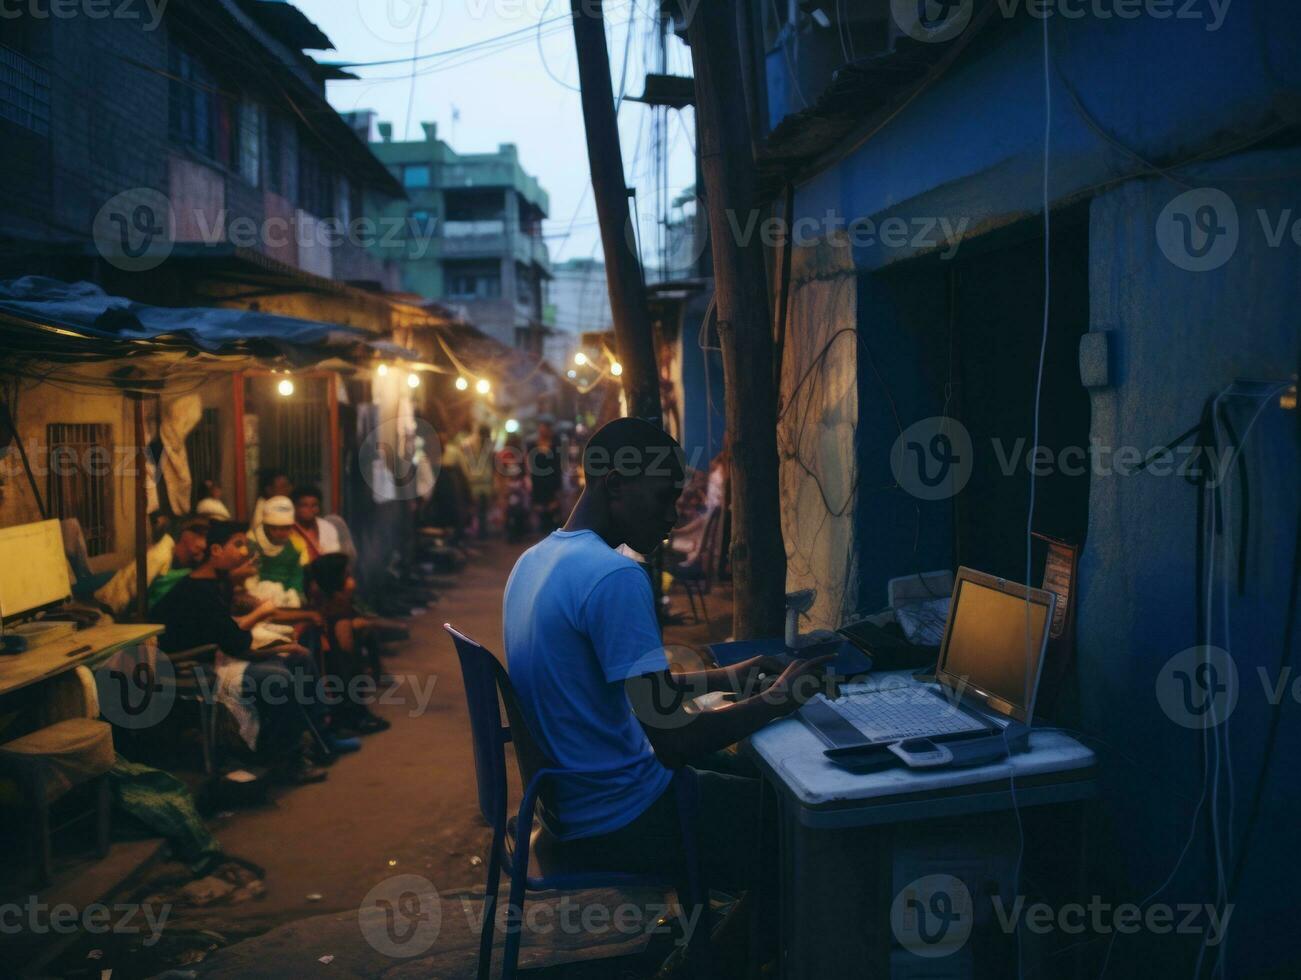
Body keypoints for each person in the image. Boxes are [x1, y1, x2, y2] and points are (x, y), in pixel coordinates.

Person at [502, 418, 829, 943]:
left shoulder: (535, 562)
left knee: (756, 781)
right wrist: (777, 700)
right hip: (623, 820)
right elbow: (675, 742)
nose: (673, 516)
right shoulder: (614, 576)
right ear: (615, 485)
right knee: (805, 829)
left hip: (570, 807)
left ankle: (714, 935)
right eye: (664, 498)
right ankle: (713, 959)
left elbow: (625, 693)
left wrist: (727, 677)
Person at [152, 521, 327, 784]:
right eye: (238, 545)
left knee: (297, 658)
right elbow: (236, 642)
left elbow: (230, 635)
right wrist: (260, 615)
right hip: (194, 666)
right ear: (216, 551)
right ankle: (284, 759)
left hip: (219, 654)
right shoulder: (197, 590)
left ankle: (313, 740)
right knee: (278, 677)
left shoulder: (217, 582)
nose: (245, 552)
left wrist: (281, 646)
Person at [250, 495, 305, 598]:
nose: (280, 533)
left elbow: (296, 575)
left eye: (286, 528)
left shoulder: (296, 546)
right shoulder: (254, 544)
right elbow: (252, 574)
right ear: (266, 527)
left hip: (286, 594)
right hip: (259, 593)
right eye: (274, 528)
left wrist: (294, 594)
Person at [527, 420, 563, 534]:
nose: (543, 431)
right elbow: (528, 463)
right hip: (537, 481)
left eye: (545, 429)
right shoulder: (532, 445)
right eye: (541, 428)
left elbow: (558, 466)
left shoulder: (556, 445)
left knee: (552, 510)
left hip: (552, 481)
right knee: (540, 509)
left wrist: (558, 486)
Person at [289, 486, 340, 563]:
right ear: (295, 507)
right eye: (304, 505)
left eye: (314, 505)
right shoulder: (287, 528)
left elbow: (334, 556)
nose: (310, 509)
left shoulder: (327, 527)